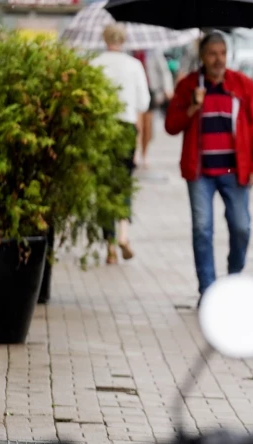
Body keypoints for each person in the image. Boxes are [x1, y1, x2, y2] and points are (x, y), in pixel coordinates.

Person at [165, 32, 253, 304]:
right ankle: (208, 291)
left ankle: (233, 279)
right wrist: (191, 107)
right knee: (202, 229)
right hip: (200, 173)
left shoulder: (242, 85)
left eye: (222, 53)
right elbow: (171, 126)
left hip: (234, 172)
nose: (218, 59)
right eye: (212, 53)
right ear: (202, 56)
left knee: (241, 227)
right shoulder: (189, 86)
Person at [90, 24, 149, 265]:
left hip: (102, 129)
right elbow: (143, 103)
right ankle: (124, 235)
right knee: (123, 184)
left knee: (104, 186)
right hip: (125, 128)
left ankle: (110, 246)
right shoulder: (134, 65)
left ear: (104, 39)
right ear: (123, 40)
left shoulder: (95, 64)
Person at [134, 49, 174, 169]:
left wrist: (167, 89)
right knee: (137, 124)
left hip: (151, 90)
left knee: (147, 125)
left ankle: (144, 153)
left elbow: (164, 71)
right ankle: (136, 151)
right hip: (135, 90)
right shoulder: (131, 51)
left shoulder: (154, 52)